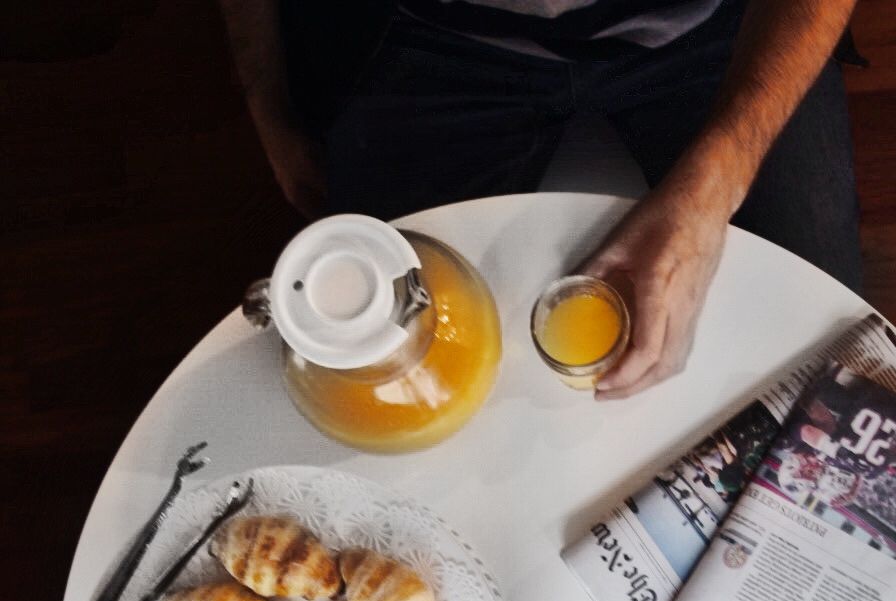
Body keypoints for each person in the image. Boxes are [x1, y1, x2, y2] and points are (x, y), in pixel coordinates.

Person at [220, 0, 862, 399]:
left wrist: (719, 178)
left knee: (820, 349)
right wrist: (266, 100)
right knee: (371, 361)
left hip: (710, 28)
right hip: (437, 38)